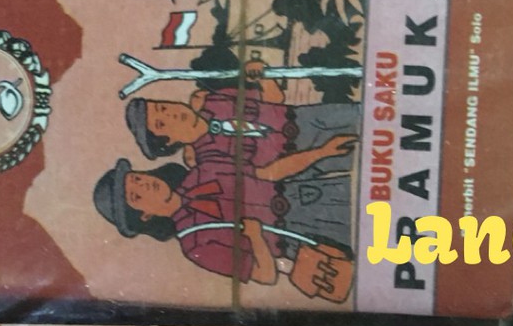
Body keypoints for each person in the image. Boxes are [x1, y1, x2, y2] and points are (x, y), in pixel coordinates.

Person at [93, 154, 351, 298]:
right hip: (304, 240)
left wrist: (323, 151)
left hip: (311, 193)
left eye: (136, 178)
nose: (144, 185)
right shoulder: (195, 246)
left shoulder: (202, 172)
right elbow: (265, 275)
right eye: (136, 196)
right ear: (144, 216)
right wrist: (256, 238)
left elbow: (268, 171)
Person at [124, 58, 360, 180]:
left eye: (162, 107)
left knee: (369, 113)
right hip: (306, 158)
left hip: (308, 118)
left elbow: (274, 100)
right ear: (168, 142)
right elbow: (269, 174)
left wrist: (262, 75)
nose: (170, 113)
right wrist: (322, 153)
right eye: (162, 123)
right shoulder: (208, 160)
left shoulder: (212, 101)